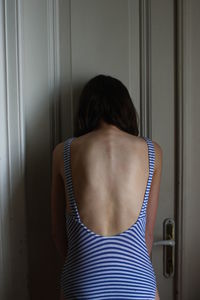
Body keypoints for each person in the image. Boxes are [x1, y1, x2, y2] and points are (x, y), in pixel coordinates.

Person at [51, 74, 162, 300]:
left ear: (85, 111)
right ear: (125, 109)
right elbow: (148, 236)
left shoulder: (63, 152)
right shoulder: (152, 152)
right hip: (138, 285)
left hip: (82, 283)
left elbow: (58, 234)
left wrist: (83, 272)